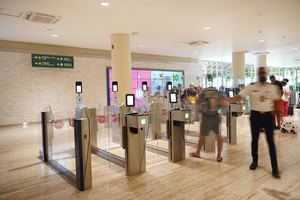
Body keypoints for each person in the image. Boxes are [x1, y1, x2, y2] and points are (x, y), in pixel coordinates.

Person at [228, 67, 281, 178]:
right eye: (260, 73)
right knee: (254, 141)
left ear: (266, 74)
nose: (262, 74)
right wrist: (226, 100)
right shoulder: (252, 87)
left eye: (263, 72)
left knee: (271, 142)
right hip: (255, 116)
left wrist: (279, 120)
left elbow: (276, 104)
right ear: (258, 74)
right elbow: (239, 96)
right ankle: (255, 162)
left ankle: (275, 168)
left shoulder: (272, 88)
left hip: (268, 116)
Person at [190, 85, 225, 162]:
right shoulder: (218, 92)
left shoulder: (203, 92)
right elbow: (223, 104)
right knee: (218, 135)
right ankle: (219, 156)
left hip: (206, 116)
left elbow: (197, 102)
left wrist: (199, 109)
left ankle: (197, 153)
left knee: (202, 135)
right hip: (216, 116)